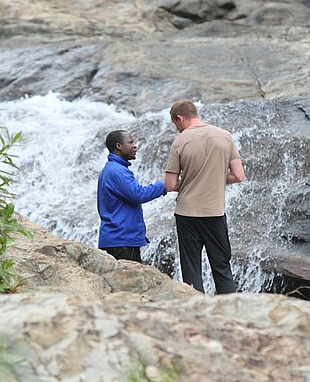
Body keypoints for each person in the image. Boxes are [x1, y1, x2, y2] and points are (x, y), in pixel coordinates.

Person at [164, 99, 245, 294]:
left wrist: (191, 178)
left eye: (175, 124)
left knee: (191, 269)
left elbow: (170, 184)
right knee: (222, 267)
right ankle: (232, 312)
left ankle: (196, 313)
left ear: (180, 118)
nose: (177, 129)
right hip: (214, 212)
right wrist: (214, 177)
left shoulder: (181, 141)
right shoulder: (225, 136)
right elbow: (239, 175)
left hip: (187, 213)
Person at [97, 130, 167, 262]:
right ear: (119, 146)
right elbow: (138, 194)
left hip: (116, 239)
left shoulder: (110, 169)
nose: (134, 146)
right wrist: (164, 186)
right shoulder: (118, 171)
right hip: (122, 241)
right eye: (130, 142)